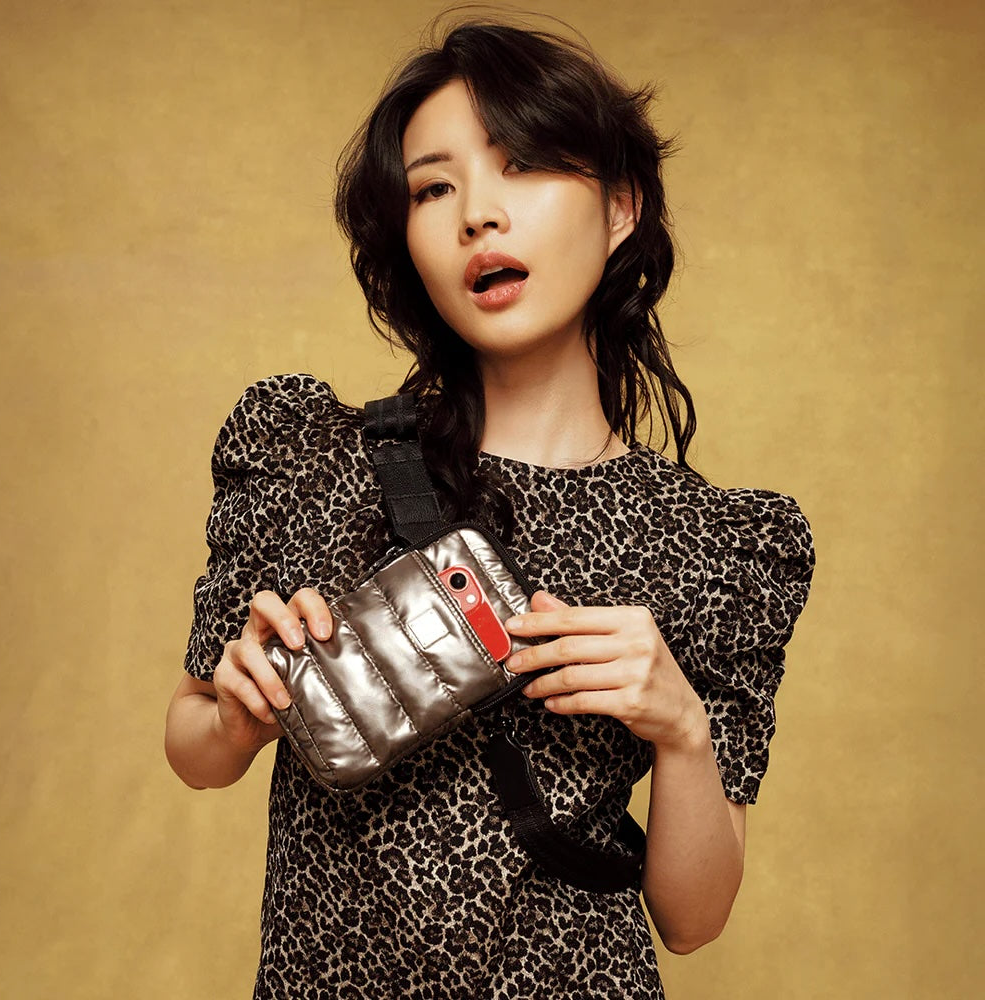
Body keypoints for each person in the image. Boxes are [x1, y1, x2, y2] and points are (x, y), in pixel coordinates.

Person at [164, 16, 815, 999]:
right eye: (434, 188)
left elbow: (693, 919)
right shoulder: (311, 457)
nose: (477, 215)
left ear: (620, 208)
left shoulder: (712, 542)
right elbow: (195, 748)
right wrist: (238, 715)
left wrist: (681, 724)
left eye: (523, 165)